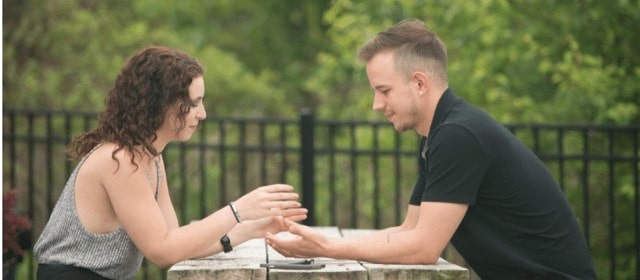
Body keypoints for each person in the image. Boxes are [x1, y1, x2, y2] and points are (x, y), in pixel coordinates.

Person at [266, 19, 597, 279]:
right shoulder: (438, 135)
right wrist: (322, 244)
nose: (376, 105)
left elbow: (423, 248)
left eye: (384, 91)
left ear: (420, 83)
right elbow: (409, 230)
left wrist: (327, 247)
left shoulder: (459, 134)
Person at [33, 46, 308, 280]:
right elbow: (162, 252)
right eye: (194, 103)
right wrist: (237, 210)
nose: (203, 113)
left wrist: (250, 229)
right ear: (161, 104)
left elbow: (177, 241)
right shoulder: (119, 160)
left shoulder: (150, 157)